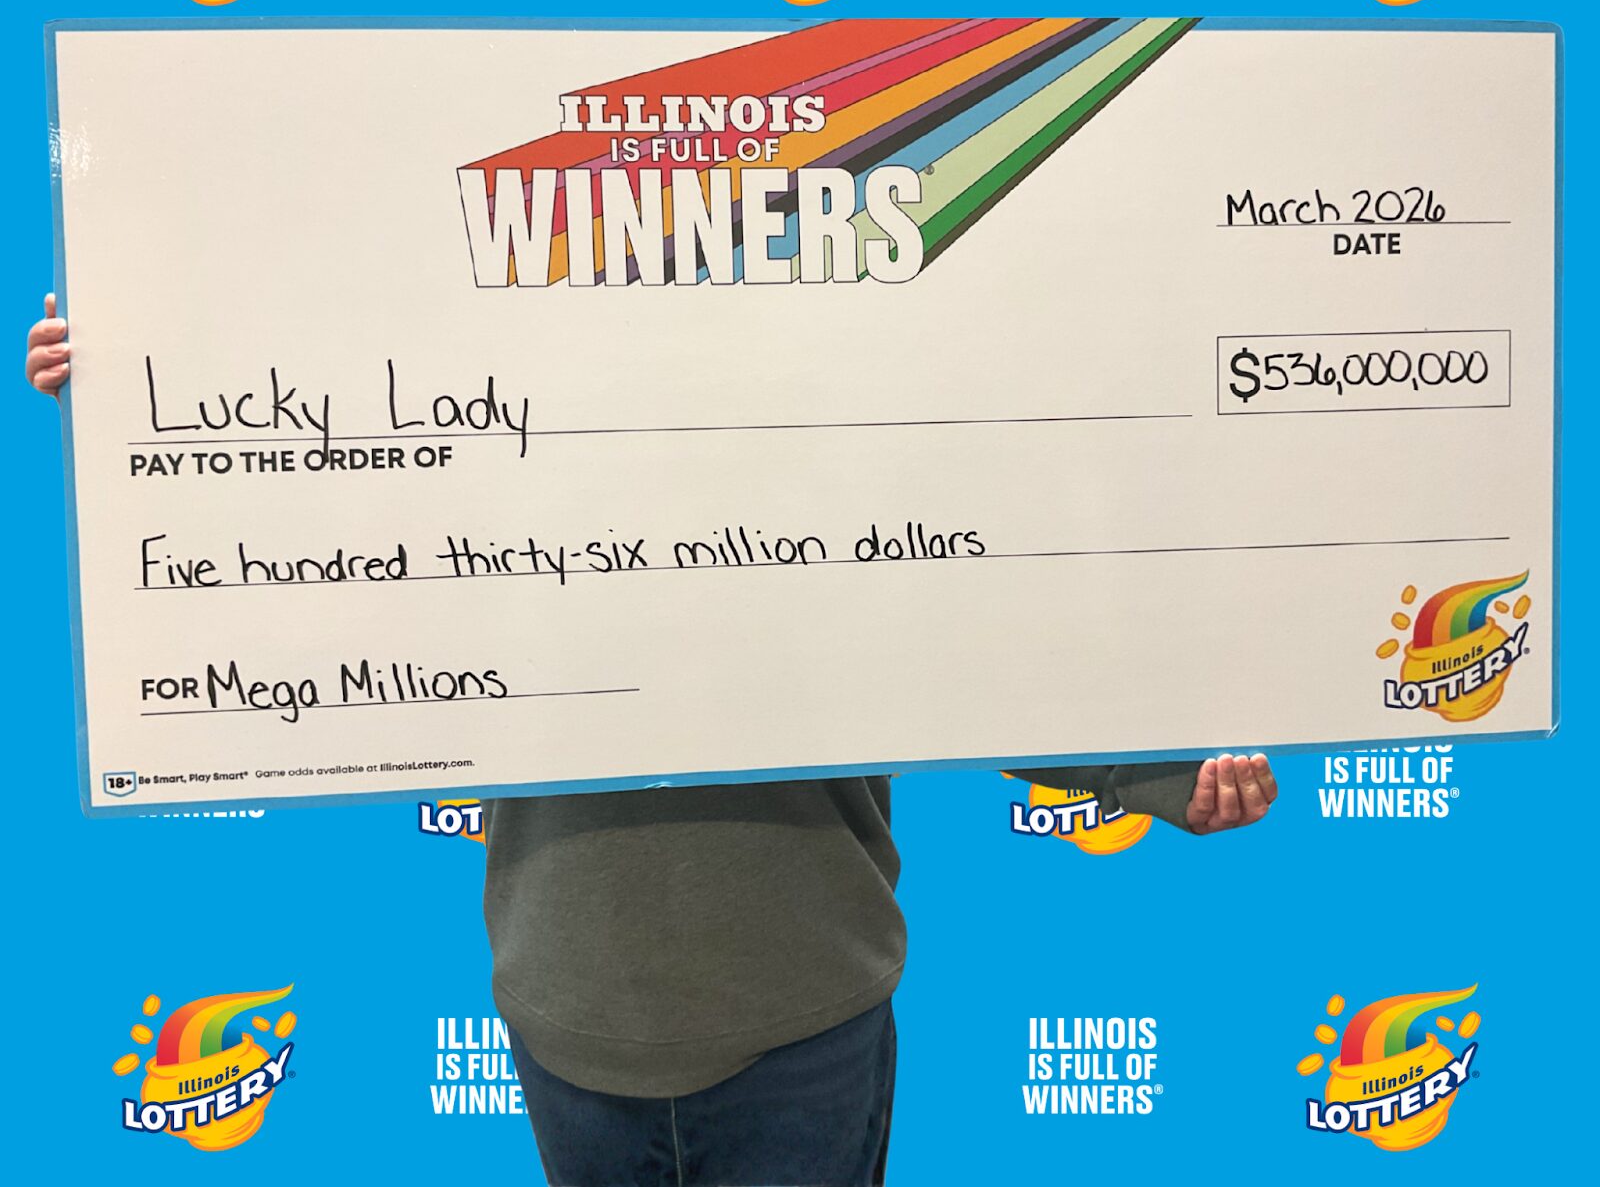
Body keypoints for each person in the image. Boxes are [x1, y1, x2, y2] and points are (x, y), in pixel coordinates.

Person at [27, 294, 1277, 1186]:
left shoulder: (852, 467)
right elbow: (311, 562)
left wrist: (1161, 778)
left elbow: (972, 647)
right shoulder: (484, 468)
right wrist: (140, 391)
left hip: (802, 1013)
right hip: (573, 1004)